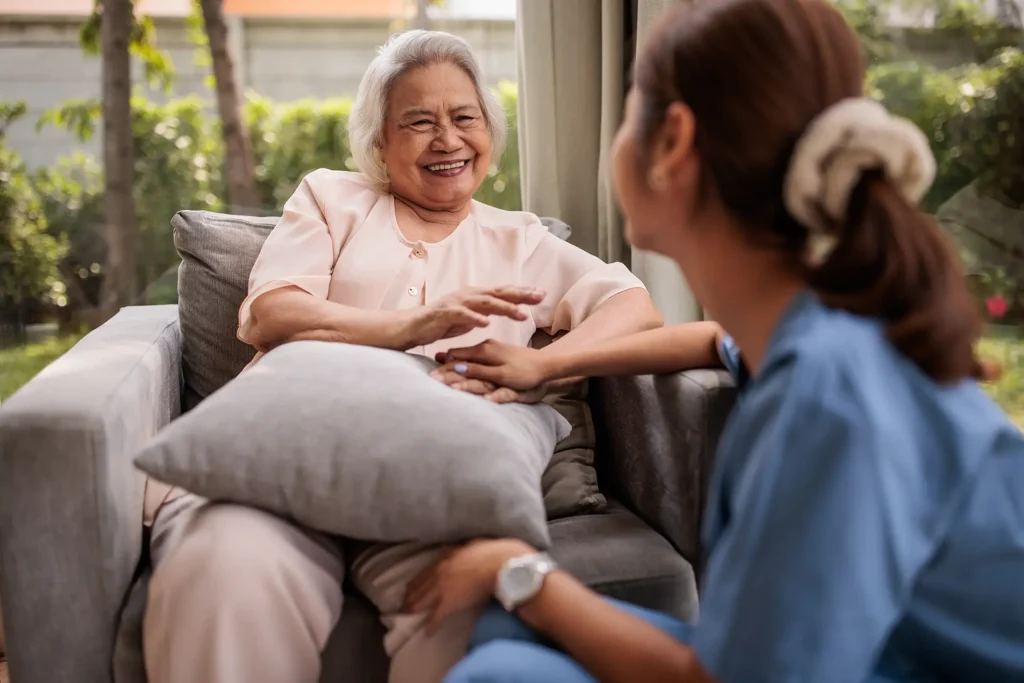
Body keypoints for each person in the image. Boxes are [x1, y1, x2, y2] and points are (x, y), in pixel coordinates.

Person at [412, 0, 1024, 681]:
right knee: (496, 624)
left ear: (673, 141)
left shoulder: (831, 392)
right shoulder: (804, 332)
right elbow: (710, 340)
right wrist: (545, 361)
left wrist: (520, 570)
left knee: (496, 668)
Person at [140, 30, 666, 683]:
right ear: (380, 143)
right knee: (222, 569)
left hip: (430, 489)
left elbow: (633, 305)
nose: (447, 139)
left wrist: (542, 365)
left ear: (488, 134)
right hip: (275, 472)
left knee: (469, 615)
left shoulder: (521, 240)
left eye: (464, 118)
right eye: (419, 122)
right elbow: (268, 313)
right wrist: (411, 326)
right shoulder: (333, 199)